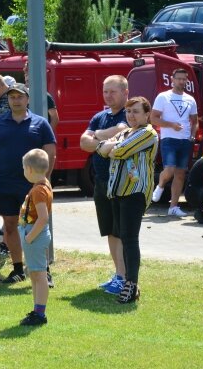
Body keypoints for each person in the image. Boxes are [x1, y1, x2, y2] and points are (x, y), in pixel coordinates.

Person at [0, 83, 56, 284]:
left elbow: (50, 153)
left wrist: (43, 181)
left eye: (20, 97)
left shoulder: (40, 123)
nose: (16, 100)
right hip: (5, 184)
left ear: (28, 99)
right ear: (8, 99)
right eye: (12, 97)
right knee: (9, 226)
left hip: (31, 186)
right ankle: (17, 269)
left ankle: (44, 269)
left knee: (37, 226)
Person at [97, 96, 158, 304]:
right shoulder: (124, 132)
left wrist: (110, 146)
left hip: (135, 192)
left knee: (130, 239)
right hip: (117, 192)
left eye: (136, 112)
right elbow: (102, 150)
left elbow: (117, 150)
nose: (131, 116)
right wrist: (108, 147)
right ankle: (127, 282)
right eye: (129, 111)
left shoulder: (148, 133)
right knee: (123, 236)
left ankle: (131, 284)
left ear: (147, 114)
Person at [80, 75, 129, 294]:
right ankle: (118, 274)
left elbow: (121, 132)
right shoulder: (99, 116)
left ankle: (125, 276)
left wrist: (96, 137)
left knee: (122, 231)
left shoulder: (130, 114)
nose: (108, 95)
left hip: (121, 183)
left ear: (125, 92)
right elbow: (84, 144)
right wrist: (104, 136)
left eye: (113, 91)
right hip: (101, 182)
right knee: (109, 230)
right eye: (105, 91)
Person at [150, 68, 198, 217]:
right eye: (179, 78)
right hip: (168, 139)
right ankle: (161, 185)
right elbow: (153, 118)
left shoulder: (190, 99)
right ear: (172, 79)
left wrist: (192, 135)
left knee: (180, 173)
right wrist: (171, 125)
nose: (182, 81)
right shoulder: (163, 97)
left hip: (185, 140)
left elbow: (195, 121)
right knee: (169, 169)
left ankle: (174, 207)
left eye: (184, 79)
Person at [17, 148, 54, 326]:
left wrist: (29, 237)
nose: (24, 172)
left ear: (30, 169)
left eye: (24, 168)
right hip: (34, 235)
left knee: (39, 275)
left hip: (35, 235)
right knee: (35, 274)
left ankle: (39, 314)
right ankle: (36, 310)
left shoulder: (38, 190)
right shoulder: (44, 184)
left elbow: (43, 217)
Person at [23, 61, 59, 131]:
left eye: (28, 74)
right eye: (25, 75)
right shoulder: (23, 95)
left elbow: (55, 118)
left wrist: (46, 135)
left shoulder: (46, 96)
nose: (26, 78)